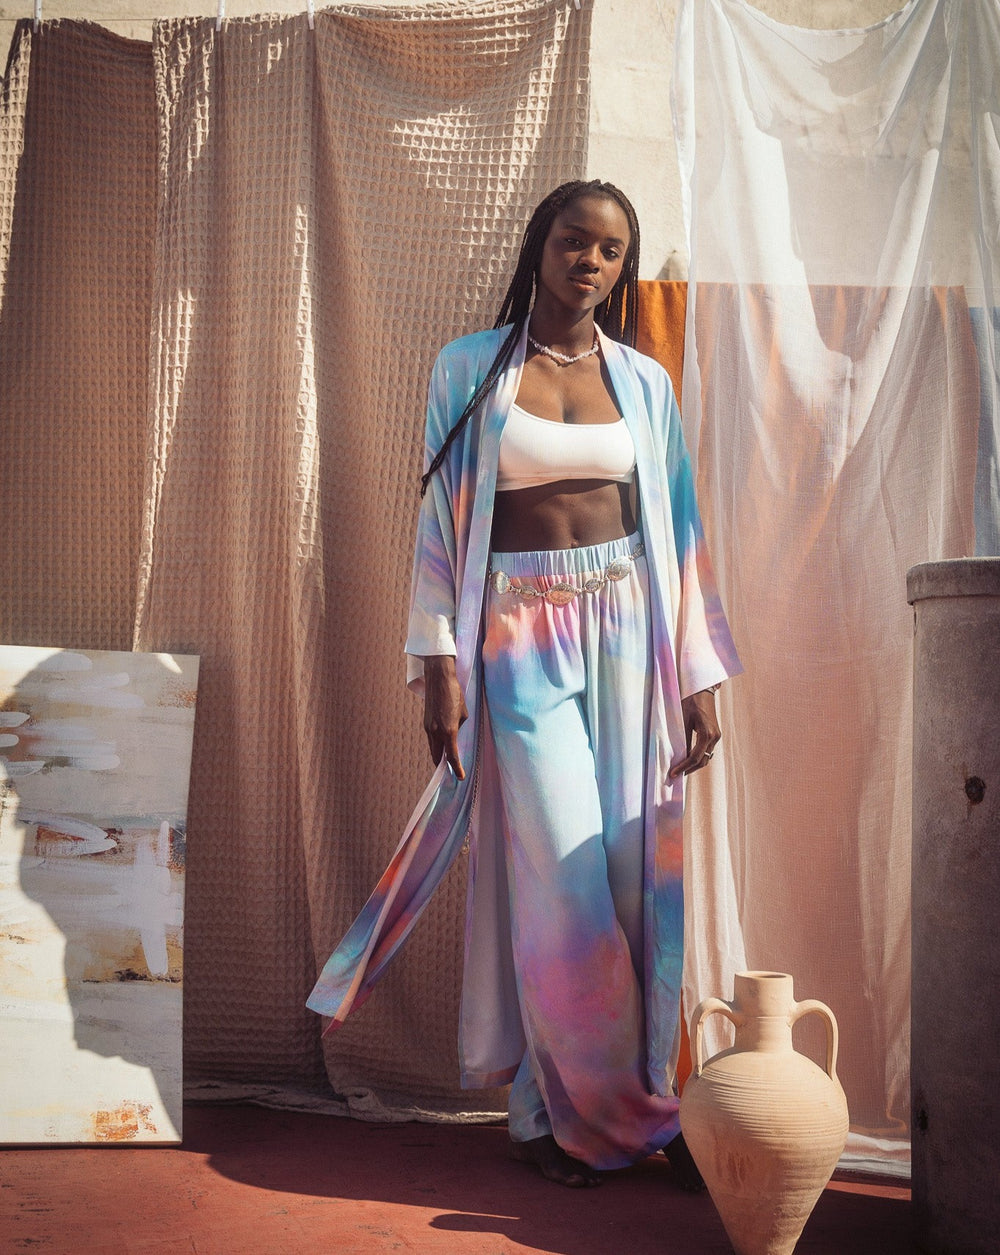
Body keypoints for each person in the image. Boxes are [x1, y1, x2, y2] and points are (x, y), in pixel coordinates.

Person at [308, 180, 741, 1189]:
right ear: (539, 246)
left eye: (611, 250)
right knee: (562, 891)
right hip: (516, 635)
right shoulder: (468, 369)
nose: (590, 261)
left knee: (628, 878)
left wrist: (698, 673)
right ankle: (631, 1123)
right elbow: (438, 527)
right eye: (573, 241)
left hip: (629, 635)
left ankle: (549, 1115)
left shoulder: (644, 383)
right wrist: (438, 665)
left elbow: (679, 531)